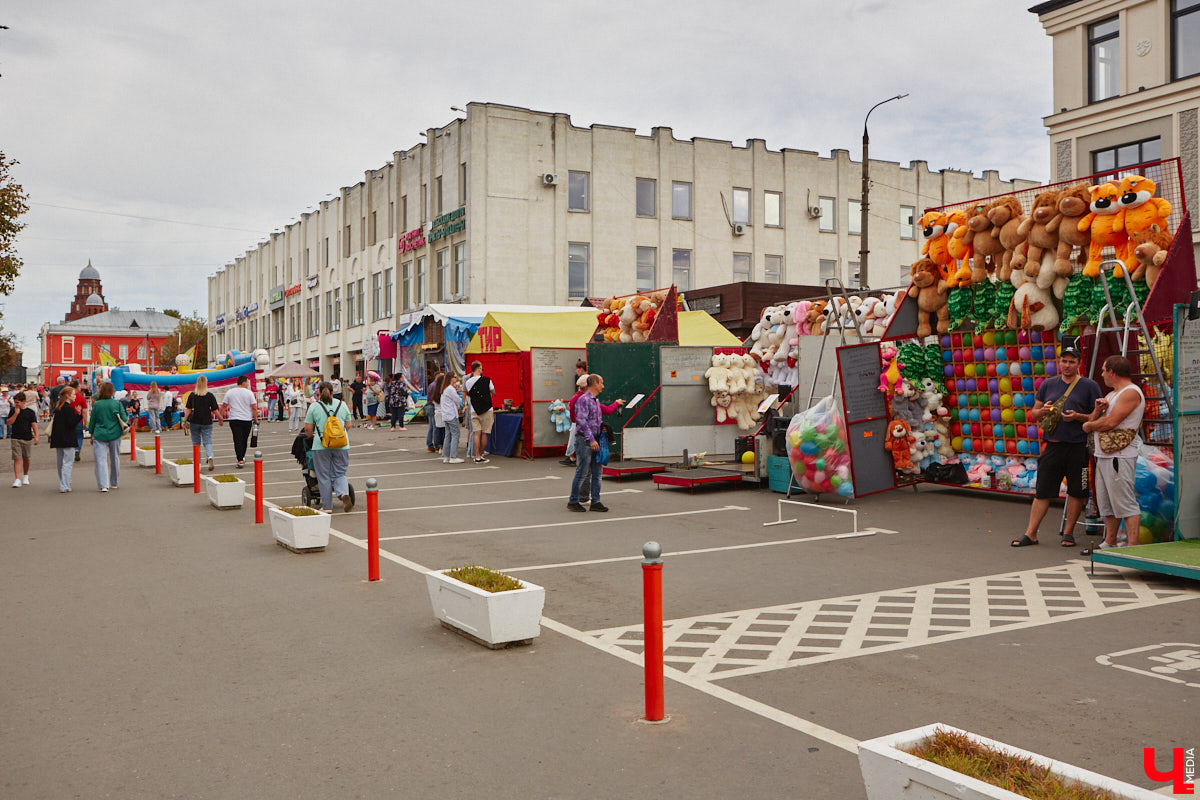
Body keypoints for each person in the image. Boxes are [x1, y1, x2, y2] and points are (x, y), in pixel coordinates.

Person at [1011, 345, 1103, 547]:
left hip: (1078, 447)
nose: (1067, 365)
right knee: (1042, 490)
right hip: (1052, 445)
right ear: (1059, 362)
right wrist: (1043, 410)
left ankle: (1068, 533)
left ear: (1078, 364)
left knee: (1078, 491)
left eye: (1072, 361)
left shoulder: (1090, 386)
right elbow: (1034, 413)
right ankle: (1031, 533)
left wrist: (1079, 417)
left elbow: (1097, 417)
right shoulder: (1048, 384)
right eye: (1064, 361)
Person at [1082, 356, 1146, 551]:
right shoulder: (1112, 395)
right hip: (1104, 455)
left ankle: (1132, 546)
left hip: (1120, 455)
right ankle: (1109, 541)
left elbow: (1111, 422)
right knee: (1106, 502)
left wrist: (1089, 425)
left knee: (1124, 502)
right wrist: (1096, 411)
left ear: (1112, 372)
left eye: (1103, 370)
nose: (1101, 375)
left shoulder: (1130, 392)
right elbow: (1098, 419)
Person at [304, 381, 354, 512]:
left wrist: (312, 436)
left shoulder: (314, 407)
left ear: (319, 393)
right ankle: (343, 493)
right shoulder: (342, 405)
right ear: (333, 392)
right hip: (342, 445)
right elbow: (348, 425)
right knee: (340, 473)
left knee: (324, 476)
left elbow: (308, 428)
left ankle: (327, 506)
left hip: (321, 446)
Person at [87, 381, 128, 493]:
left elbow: (92, 422)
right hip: (115, 433)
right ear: (112, 391)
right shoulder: (117, 404)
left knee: (101, 460)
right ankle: (114, 482)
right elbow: (124, 419)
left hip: (99, 434)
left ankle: (103, 485)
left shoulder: (97, 405)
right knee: (115, 458)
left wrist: (91, 434)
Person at [184, 374, 222, 471]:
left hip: (194, 422)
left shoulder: (192, 395)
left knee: (196, 443)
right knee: (207, 441)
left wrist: (184, 421)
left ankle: (198, 464)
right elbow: (215, 410)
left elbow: (188, 410)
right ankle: (210, 456)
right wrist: (220, 418)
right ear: (206, 384)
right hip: (207, 422)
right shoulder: (210, 395)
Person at [220, 375, 259, 468]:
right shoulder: (249, 393)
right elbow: (254, 407)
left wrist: (220, 417)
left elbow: (224, 405)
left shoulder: (230, 392)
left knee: (237, 439)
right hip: (246, 419)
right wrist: (256, 419)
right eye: (247, 382)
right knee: (244, 439)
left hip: (234, 419)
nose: (248, 384)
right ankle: (242, 457)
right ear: (244, 382)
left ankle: (240, 459)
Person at [49, 385, 83, 492]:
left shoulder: (58, 407)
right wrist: (78, 415)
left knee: (60, 462)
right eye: (73, 394)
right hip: (68, 438)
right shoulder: (68, 408)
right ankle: (64, 485)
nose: (75, 396)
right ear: (68, 395)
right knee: (67, 462)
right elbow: (71, 423)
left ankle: (64, 483)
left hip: (58, 438)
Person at [559, 360, 590, 467]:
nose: (576, 371)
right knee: (575, 434)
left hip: (579, 415)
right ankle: (573, 456)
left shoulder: (584, 381)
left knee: (575, 434)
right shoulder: (584, 381)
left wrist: (573, 403)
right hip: (579, 414)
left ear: (581, 369)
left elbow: (580, 395)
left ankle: (573, 457)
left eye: (577, 369)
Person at [463, 361, 494, 464]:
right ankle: (481, 455)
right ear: (479, 369)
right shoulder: (487, 380)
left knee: (476, 433)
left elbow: (468, 393)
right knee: (484, 434)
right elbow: (493, 392)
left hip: (474, 410)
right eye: (481, 368)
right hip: (487, 409)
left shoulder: (468, 382)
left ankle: (476, 456)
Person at [7, 391, 39, 487]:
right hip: (15, 437)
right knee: (17, 458)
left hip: (27, 438)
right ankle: (17, 478)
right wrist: (16, 414)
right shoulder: (13, 410)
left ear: (23, 401)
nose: (16, 404)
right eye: (15, 402)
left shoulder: (30, 412)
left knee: (26, 458)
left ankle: (25, 475)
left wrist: (36, 436)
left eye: (17, 402)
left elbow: (34, 425)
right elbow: (8, 423)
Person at [439, 373, 465, 464]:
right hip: (451, 415)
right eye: (455, 377)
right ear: (451, 378)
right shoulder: (450, 389)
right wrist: (457, 392)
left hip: (446, 415)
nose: (456, 379)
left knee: (448, 435)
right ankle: (453, 456)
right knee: (455, 434)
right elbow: (458, 400)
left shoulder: (445, 388)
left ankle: (446, 456)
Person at [426, 371, 446, 452]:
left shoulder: (432, 385)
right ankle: (437, 445)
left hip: (430, 406)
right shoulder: (436, 386)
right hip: (433, 407)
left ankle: (430, 445)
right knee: (435, 427)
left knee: (431, 427)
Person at [69, 380, 88, 460]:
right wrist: (85, 422)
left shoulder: (68, 397)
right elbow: (84, 412)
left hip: (69, 420)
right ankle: (77, 449)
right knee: (79, 436)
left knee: (70, 436)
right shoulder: (82, 398)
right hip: (79, 421)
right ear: (77, 387)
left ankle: (72, 451)